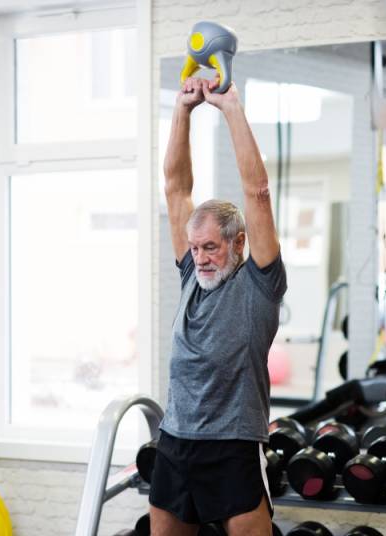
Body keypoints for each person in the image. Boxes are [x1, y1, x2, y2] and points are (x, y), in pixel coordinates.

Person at [148, 76, 287, 536]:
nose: (200, 258)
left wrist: (230, 107)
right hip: (175, 443)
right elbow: (174, 187)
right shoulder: (192, 274)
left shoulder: (258, 286)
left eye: (210, 247)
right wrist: (182, 110)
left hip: (232, 447)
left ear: (238, 242)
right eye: (195, 247)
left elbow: (258, 192)